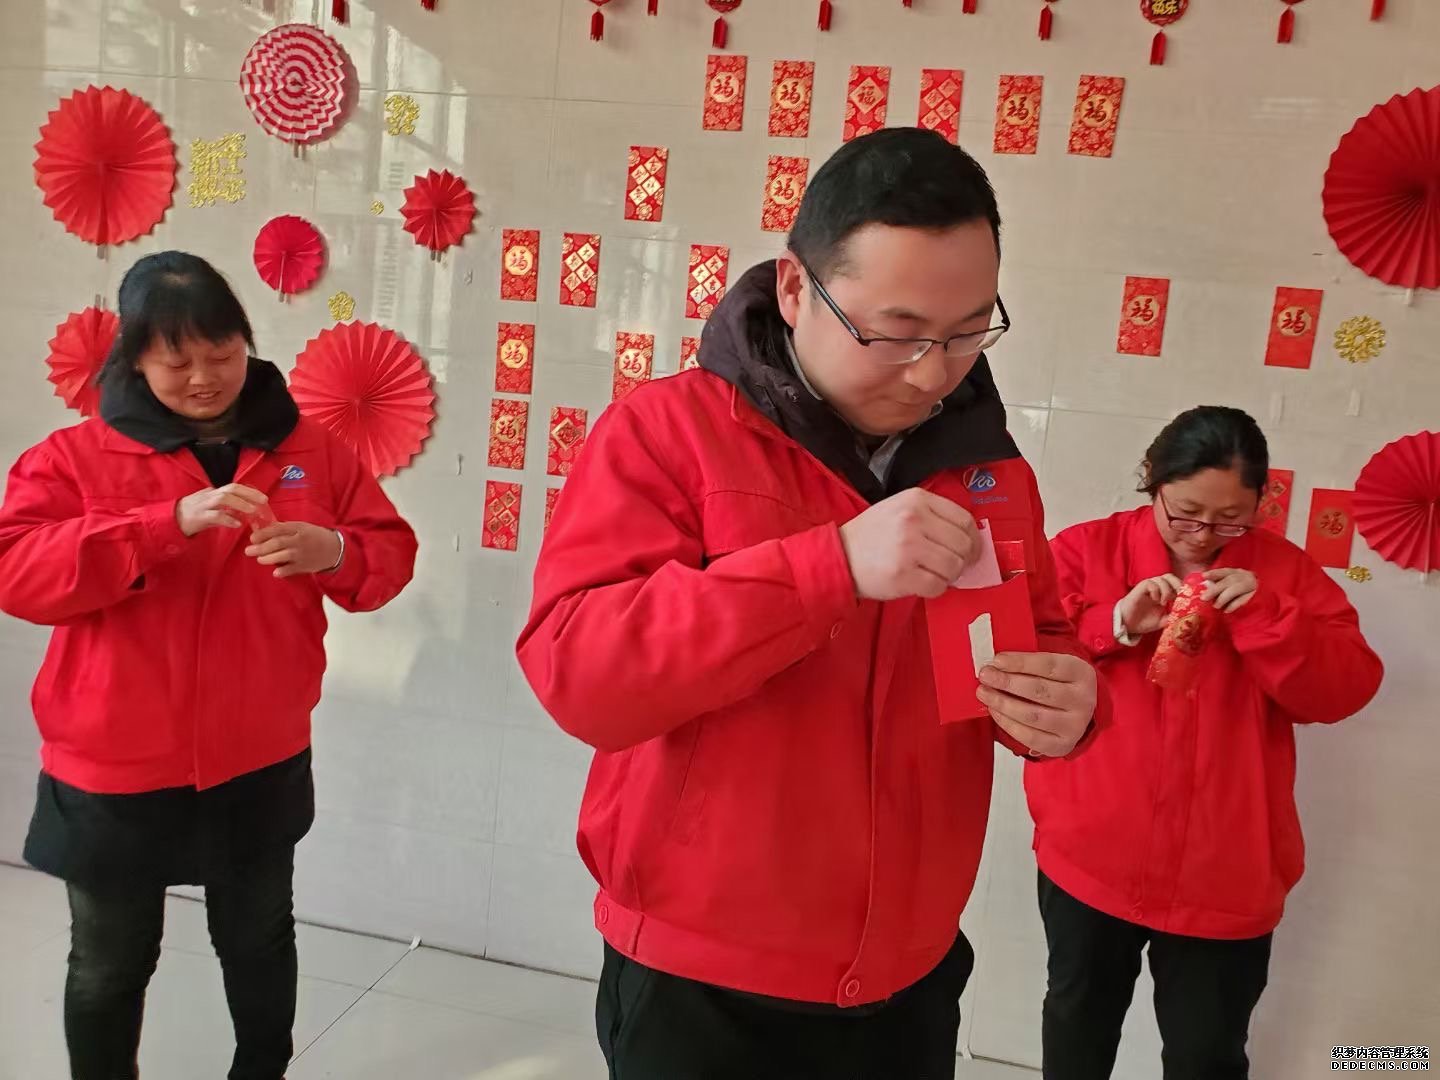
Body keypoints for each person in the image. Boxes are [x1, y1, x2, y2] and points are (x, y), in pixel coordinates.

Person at [517, 127, 1098, 1079]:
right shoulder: (665, 435)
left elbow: (1032, 646)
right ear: (796, 289)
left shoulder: (989, 473)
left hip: (907, 977)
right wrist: (828, 567)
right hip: (704, 986)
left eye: (968, 332)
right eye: (897, 333)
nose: (934, 372)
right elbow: (582, 675)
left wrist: (1064, 703)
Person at [0, 252, 417, 1080]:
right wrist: (161, 525)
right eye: (177, 361)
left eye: (222, 354)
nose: (203, 378)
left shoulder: (310, 449)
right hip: (114, 758)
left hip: (256, 749)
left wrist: (333, 550)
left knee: (259, 940)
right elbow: (16, 572)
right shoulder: (76, 457)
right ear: (134, 360)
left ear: (246, 344)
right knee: (111, 961)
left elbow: (387, 555)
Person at [1029, 406, 1383, 1080]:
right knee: (1077, 1029)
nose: (1203, 535)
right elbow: (1023, 654)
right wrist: (1116, 621)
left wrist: (1268, 617)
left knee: (1207, 1056)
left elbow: (1345, 690)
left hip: (1226, 871)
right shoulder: (1085, 550)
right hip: (1094, 851)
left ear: (1260, 504)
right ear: (1151, 480)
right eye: (1186, 513)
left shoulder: (1284, 574)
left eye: (1230, 520)